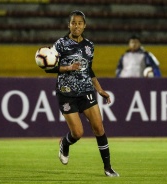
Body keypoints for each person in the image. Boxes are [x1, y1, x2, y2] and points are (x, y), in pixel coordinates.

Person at [45, 10, 119, 177]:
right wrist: (67, 68)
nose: (76, 26)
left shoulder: (89, 46)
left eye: (79, 23)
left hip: (86, 91)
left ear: (84, 25)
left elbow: (89, 69)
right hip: (66, 93)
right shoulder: (60, 44)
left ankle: (108, 168)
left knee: (99, 128)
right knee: (77, 133)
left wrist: (99, 90)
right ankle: (65, 143)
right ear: (69, 25)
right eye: (73, 23)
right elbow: (48, 66)